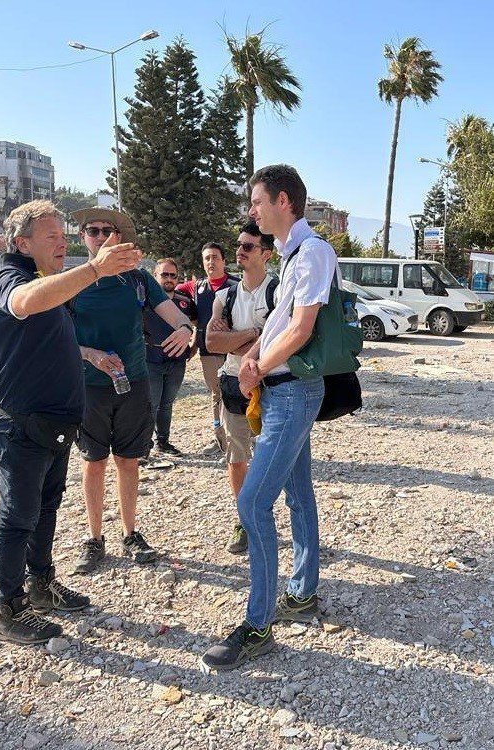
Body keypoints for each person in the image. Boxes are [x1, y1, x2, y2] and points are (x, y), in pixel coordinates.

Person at [0, 199, 140, 645]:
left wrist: (89, 356)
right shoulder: (8, 280)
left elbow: (54, 339)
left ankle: (40, 583)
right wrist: (93, 271)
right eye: (52, 237)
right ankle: (9, 609)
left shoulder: (46, 282)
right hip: (20, 426)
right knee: (17, 518)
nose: (63, 244)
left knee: (44, 510)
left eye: (63, 235)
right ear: (21, 242)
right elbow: (24, 304)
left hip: (52, 425)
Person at [201, 165, 337, 672]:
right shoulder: (291, 257)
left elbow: (301, 327)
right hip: (282, 390)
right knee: (298, 494)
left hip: (291, 391)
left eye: (257, 202)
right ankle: (301, 592)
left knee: (253, 503)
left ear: (283, 201)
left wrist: (255, 366)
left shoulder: (314, 251)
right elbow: (281, 322)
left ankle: (257, 626)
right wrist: (256, 353)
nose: (252, 211)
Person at [70, 208, 194, 574]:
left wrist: (186, 328)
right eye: (93, 231)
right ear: (83, 237)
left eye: (108, 231)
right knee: (93, 463)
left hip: (134, 381)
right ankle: (94, 539)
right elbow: (55, 338)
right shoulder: (71, 281)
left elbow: (170, 311)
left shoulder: (137, 279)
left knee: (128, 461)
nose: (101, 236)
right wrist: (88, 354)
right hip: (90, 385)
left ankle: (130, 532)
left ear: (118, 238)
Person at [205, 222, 277, 554]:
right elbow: (212, 341)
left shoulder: (278, 292)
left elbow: (278, 339)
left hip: (273, 385)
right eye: (239, 245)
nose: (240, 251)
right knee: (237, 457)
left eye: (248, 247)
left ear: (267, 253)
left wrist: (239, 338)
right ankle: (244, 519)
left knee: (270, 458)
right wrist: (253, 335)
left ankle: (263, 516)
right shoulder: (224, 296)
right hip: (234, 384)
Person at [176, 243, 239, 454]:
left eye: (214, 257)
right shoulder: (197, 287)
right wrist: (193, 343)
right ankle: (220, 439)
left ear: (223, 260)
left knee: (239, 392)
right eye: (206, 259)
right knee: (216, 394)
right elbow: (170, 291)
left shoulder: (236, 285)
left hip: (234, 349)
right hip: (208, 350)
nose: (211, 262)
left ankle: (242, 437)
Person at [144, 258, 197, 456]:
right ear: (155, 276)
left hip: (176, 361)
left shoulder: (185, 301)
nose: (168, 279)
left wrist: (194, 347)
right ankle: (143, 446)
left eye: (172, 275)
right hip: (151, 358)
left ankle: (163, 442)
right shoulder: (146, 300)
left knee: (167, 403)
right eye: (164, 274)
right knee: (151, 403)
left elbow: (195, 323)